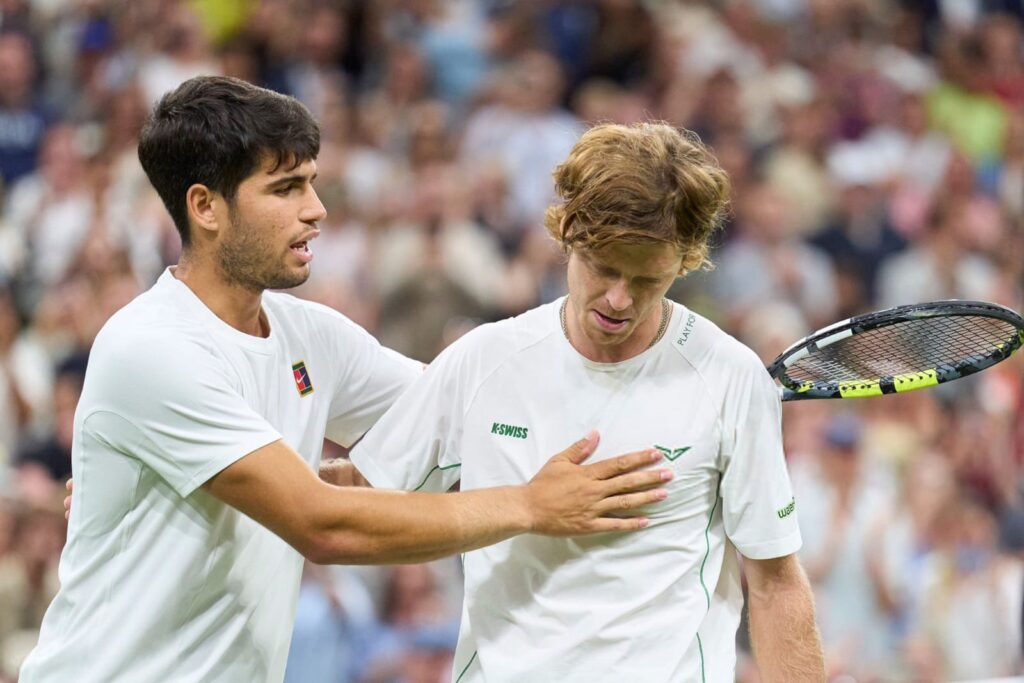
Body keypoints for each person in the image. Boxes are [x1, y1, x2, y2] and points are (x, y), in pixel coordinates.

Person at [19, 77, 673, 683]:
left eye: (311, 182)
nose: (317, 210)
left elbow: (473, 412)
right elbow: (323, 526)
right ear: (205, 207)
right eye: (285, 189)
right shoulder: (151, 349)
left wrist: (672, 395)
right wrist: (529, 505)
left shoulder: (313, 338)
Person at [349, 122, 826, 681]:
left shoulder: (731, 377)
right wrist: (525, 506)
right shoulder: (482, 361)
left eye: (648, 280)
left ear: (685, 261)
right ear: (568, 231)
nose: (620, 301)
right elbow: (362, 510)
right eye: (603, 268)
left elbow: (774, 581)